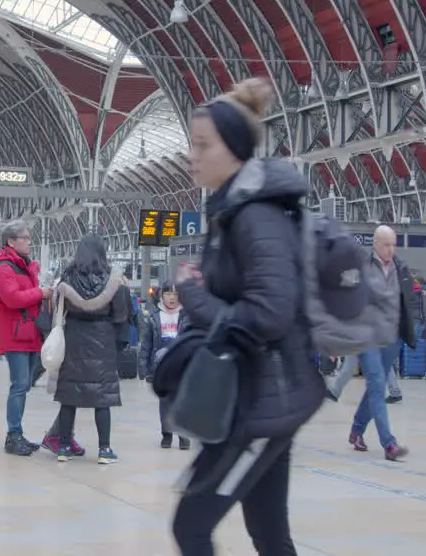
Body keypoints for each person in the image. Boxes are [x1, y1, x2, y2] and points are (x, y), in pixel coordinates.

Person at [170, 77, 325, 555]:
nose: (193, 156)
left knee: (192, 527)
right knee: (270, 535)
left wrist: (193, 294)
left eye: (203, 145)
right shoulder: (234, 212)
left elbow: (270, 313)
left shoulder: (255, 217)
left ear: (234, 150)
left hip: (261, 406)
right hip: (259, 399)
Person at [50, 233, 131, 465]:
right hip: (102, 340)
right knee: (102, 399)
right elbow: (120, 314)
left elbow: (58, 308)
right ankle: (104, 450)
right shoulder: (111, 278)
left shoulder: (67, 276)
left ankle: (64, 447)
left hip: (74, 338)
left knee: (69, 397)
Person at [341, 226, 415, 460]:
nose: (391, 249)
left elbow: (407, 302)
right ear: (375, 243)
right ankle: (389, 444)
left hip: (391, 337)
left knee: (377, 385)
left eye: (394, 244)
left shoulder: (401, 268)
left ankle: (356, 429)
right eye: (386, 244)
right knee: (376, 380)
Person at [0, 220, 53, 456]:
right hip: (15, 334)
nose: (29, 242)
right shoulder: (4, 267)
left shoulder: (25, 266)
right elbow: (12, 298)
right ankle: (13, 434)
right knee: (19, 385)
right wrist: (40, 292)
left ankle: (18, 433)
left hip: (28, 333)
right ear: (11, 241)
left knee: (24, 385)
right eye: (25, 238)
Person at [140, 282, 189, 450]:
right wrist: (144, 367)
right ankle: (166, 434)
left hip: (182, 364)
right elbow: (146, 343)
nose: (172, 297)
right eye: (168, 294)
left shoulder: (186, 316)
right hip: (162, 366)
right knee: (165, 402)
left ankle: (184, 435)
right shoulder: (154, 317)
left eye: (175, 294)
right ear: (162, 296)